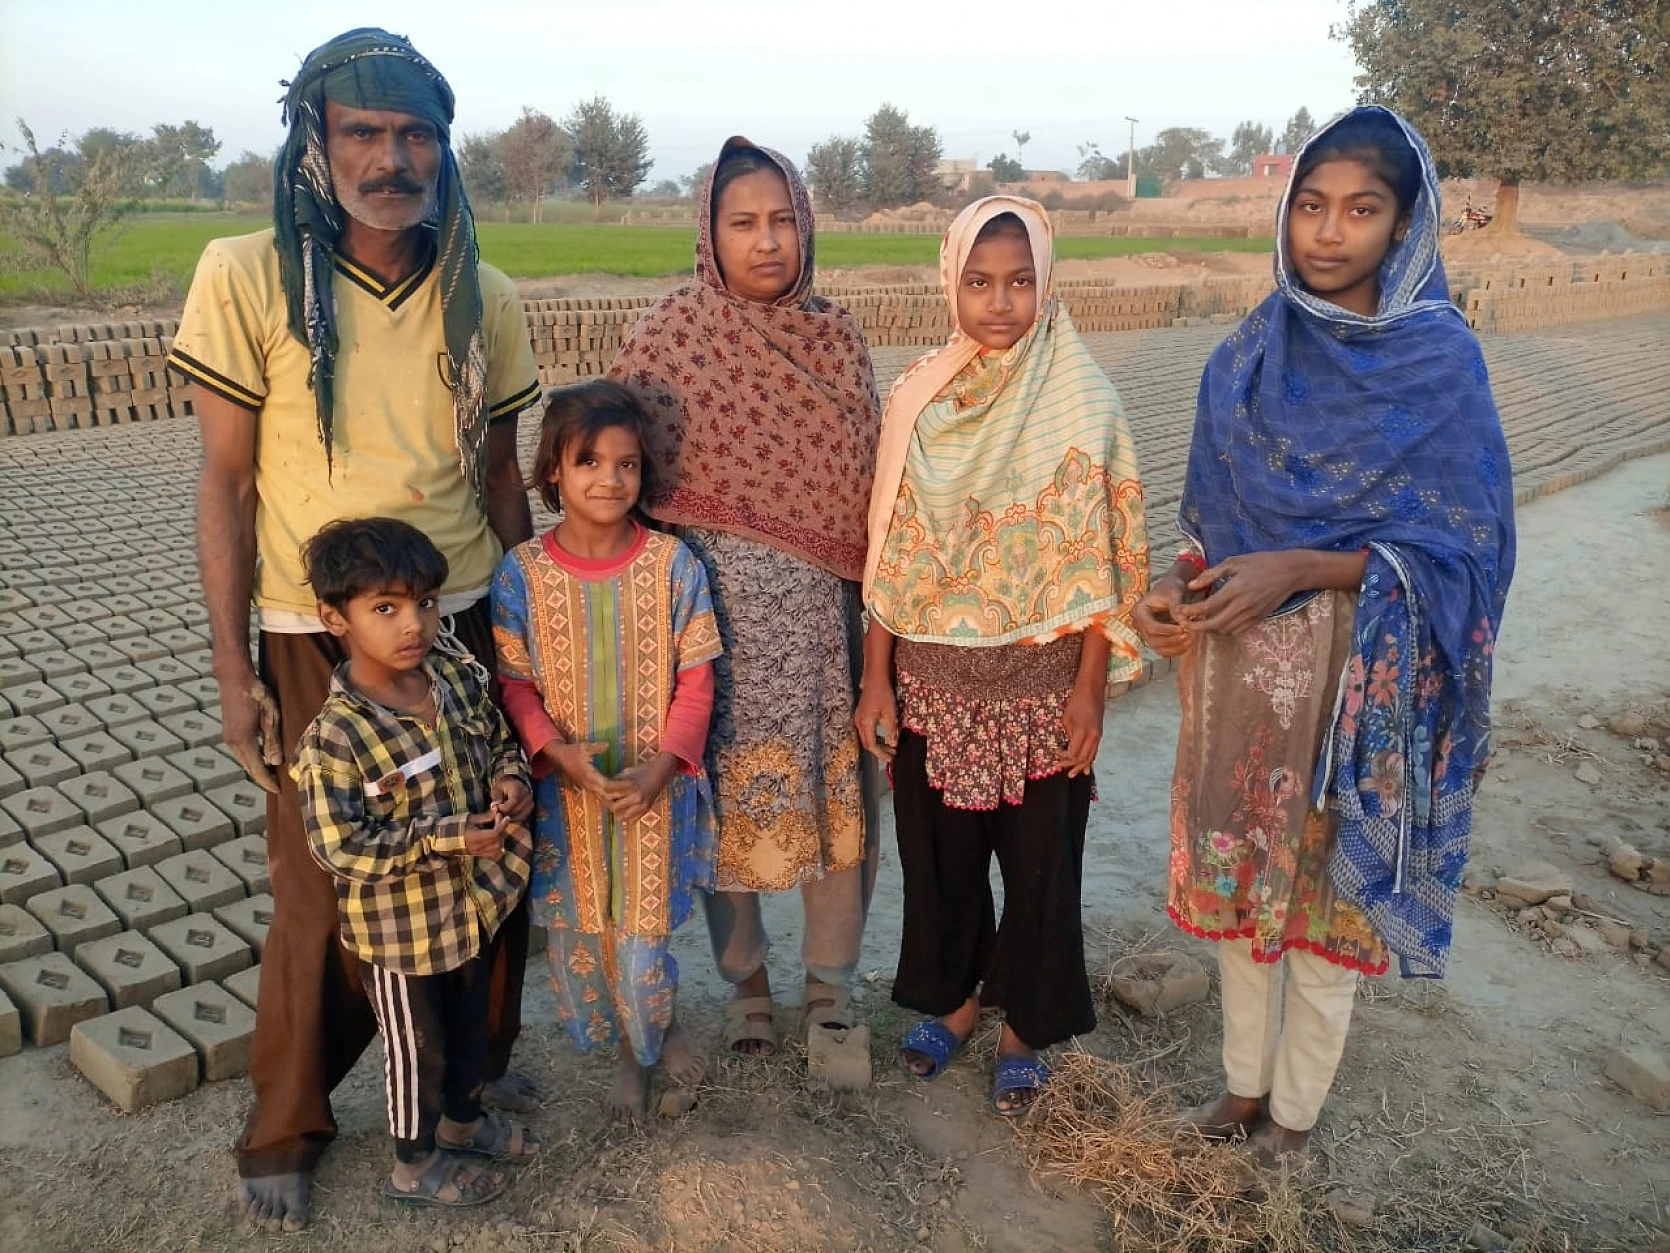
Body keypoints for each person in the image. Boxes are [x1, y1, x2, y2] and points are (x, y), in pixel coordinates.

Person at [166, 28, 543, 1231]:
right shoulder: (244, 274)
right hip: (310, 629)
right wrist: (235, 668)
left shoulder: (485, 291)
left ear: (445, 145)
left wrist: (528, 641)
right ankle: (286, 1120)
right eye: (363, 133)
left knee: (487, 854)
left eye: (415, 132)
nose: (392, 157)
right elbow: (225, 485)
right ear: (313, 146)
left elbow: (499, 477)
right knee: (318, 886)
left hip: (462, 621)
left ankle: (466, 1083)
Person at [1132, 106, 1515, 1165]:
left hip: (1363, 684)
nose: (1328, 231)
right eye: (1309, 205)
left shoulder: (1438, 366)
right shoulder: (1244, 356)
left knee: (1325, 902)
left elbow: (1463, 556)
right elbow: (1208, 530)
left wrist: (1304, 567)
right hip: (1244, 677)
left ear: (1403, 227)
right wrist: (1175, 587)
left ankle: (1293, 1115)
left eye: (1360, 209)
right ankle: (1238, 1087)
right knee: (1246, 882)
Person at [856, 197, 1149, 1115]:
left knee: (1040, 868)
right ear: (951, 281)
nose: (999, 302)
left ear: (1046, 282)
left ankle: (1025, 1023)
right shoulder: (917, 398)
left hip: (1041, 693)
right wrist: (876, 677)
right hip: (933, 689)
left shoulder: (1084, 398)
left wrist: (1092, 690)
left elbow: (1109, 560)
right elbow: (887, 551)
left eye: (1020, 281)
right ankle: (955, 1002)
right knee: (940, 863)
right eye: (979, 282)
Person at [608, 138, 882, 1056]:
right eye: (742, 223)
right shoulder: (670, 337)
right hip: (707, 629)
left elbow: (867, 496)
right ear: (710, 234)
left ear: (805, 225)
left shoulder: (837, 342)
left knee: (832, 807)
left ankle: (830, 989)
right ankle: (748, 988)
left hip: (818, 631)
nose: (766, 242)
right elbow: (617, 480)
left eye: (780, 222)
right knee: (722, 806)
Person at [491, 381, 722, 1124]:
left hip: (655, 793)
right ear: (552, 470)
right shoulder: (520, 573)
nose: (609, 479)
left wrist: (662, 766)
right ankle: (644, 1028)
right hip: (569, 797)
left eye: (626, 464)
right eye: (588, 460)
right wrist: (555, 752)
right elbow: (515, 683)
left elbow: (698, 678)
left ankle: (639, 1055)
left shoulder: (674, 565)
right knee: (590, 932)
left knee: (645, 936)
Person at [292, 518, 538, 1210]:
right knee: (417, 1050)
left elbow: (498, 738)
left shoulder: (455, 677)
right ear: (333, 617)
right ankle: (415, 1162)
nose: (414, 624)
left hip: (472, 910)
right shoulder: (337, 736)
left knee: (468, 1030)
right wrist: (446, 836)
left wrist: (511, 779)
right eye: (386, 608)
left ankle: (464, 1119)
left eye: (426, 603)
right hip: (402, 936)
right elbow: (337, 846)